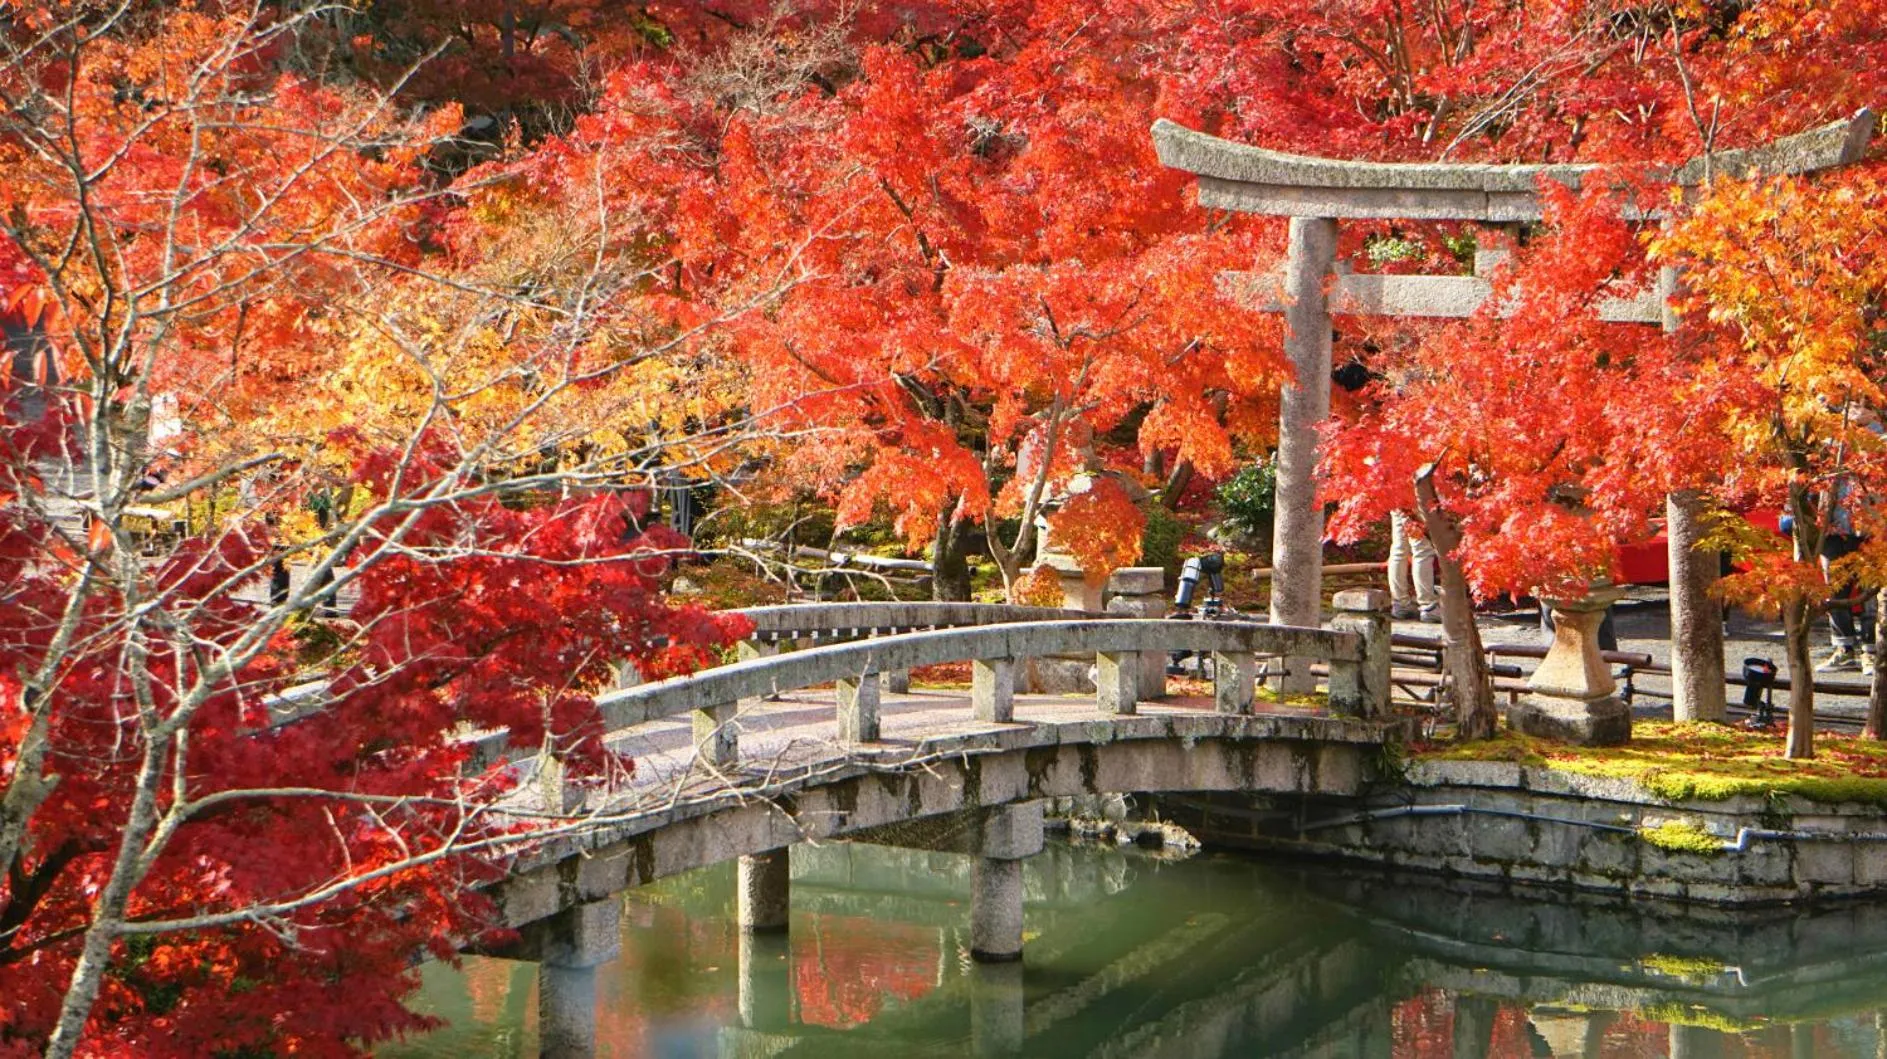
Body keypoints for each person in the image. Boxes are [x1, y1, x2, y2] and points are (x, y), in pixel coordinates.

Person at [1388, 511, 1440, 622]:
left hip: (1395, 497)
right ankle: (1428, 606)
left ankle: (1400, 603)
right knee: (1422, 549)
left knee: (1399, 548)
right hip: (1415, 497)